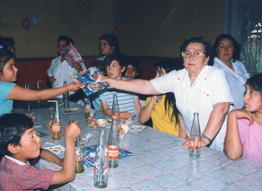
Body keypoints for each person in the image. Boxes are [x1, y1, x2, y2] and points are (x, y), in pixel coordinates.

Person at [103, 37, 233, 152]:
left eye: (197, 53)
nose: (191, 57)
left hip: (222, 138)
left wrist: (204, 139)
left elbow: (221, 108)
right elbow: (147, 86)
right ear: (183, 58)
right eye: (187, 53)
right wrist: (115, 82)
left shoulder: (216, 74)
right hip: (195, 140)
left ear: (207, 59)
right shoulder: (177, 77)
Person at [0, 47, 84, 129]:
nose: (16, 69)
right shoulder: (3, 87)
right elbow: (38, 95)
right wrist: (67, 88)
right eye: (11, 66)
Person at [0, 113, 81, 191]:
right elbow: (67, 175)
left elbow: (40, 151)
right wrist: (69, 138)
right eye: (32, 136)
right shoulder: (22, 174)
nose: (38, 139)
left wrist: (59, 161)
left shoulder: (7, 160)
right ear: (14, 148)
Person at [139, 60, 186, 138]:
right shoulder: (152, 95)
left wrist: (178, 148)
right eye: (156, 73)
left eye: (160, 74)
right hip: (158, 139)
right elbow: (142, 119)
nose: (155, 77)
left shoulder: (179, 97)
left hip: (175, 141)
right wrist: (154, 97)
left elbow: (183, 130)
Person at [224, 74, 262, 164]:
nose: (245, 97)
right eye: (246, 92)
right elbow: (233, 155)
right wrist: (232, 115)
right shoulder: (245, 123)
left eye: (251, 93)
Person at [210, 34, 249, 109]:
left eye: (230, 46)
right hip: (228, 112)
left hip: (245, 110)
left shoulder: (238, 64)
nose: (226, 50)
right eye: (222, 46)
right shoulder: (213, 68)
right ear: (216, 49)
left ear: (234, 49)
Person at [100, 53, 141, 122]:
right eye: (107, 66)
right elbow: (106, 110)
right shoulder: (103, 86)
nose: (110, 69)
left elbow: (138, 107)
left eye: (114, 65)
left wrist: (140, 122)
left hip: (134, 123)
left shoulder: (131, 84)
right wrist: (119, 115)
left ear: (122, 68)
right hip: (116, 122)